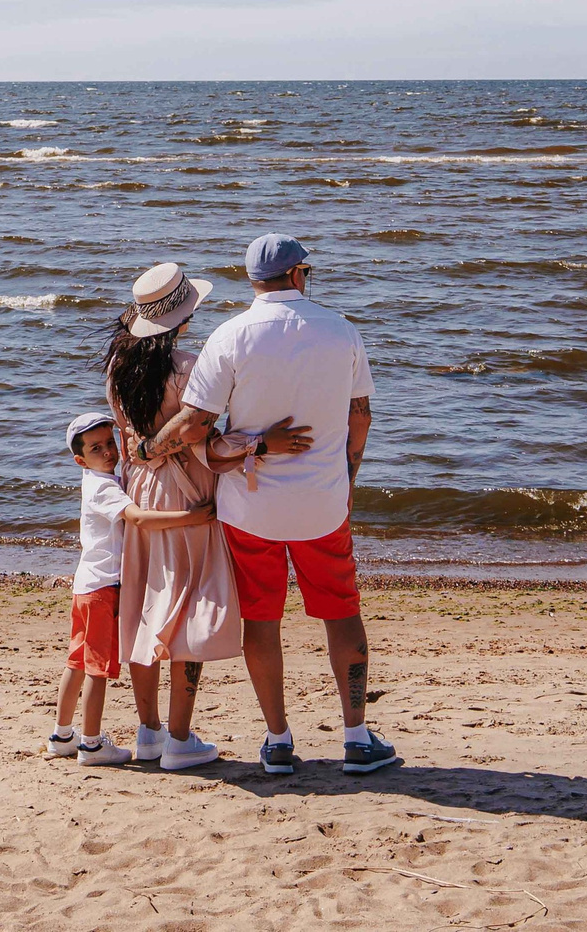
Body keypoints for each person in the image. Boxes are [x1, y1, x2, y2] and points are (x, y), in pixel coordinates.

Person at [143, 232, 396, 778]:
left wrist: (145, 450)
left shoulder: (230, 336)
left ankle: (278, 740)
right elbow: (361, 416)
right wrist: (347, 477)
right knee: (341, 612)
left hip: (249, 509)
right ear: (301, 274)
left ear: (253, 281)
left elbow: (195, 425)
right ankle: (356, 737)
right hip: (322, 506)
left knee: (262, 617)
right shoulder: (341, 330)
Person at [102, 261, 313, 770]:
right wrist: (263, 444)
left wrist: (148, 450)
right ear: (183, 318)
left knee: (147, 605)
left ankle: (148, 731)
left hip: (143, 491)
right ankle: (179, 738)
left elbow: (131, 443)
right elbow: (203, 438)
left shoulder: (117, 370)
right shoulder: (189, 368)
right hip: (188, 490)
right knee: (188, 610)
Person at [49, 409, 215, 768]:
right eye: (97, 448)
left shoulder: (102, 479)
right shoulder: (104, 487)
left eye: (111, 443)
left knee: (77, 660)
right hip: (104, 587)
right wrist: (190, 517)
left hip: (86, 585)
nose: (108, 451)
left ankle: (62, 735)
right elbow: (138, 518)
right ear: (80, 459)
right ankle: (91, 744)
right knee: (97, 667)